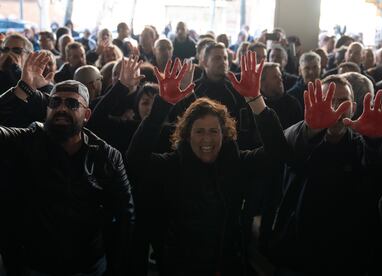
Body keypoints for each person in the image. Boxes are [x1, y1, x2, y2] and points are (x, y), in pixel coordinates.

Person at [126, 51, 289, 276]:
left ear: (225, 134)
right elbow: (135, 162)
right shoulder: (173, 164)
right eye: (199, 131)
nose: (207, 139)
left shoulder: (236, 162)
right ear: (187, 135)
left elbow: (277, 155)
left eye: (214, 131)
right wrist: (160, 108)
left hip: (228, 264)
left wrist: (256, 101)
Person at [0, 51, 135, 275]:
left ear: (87, 114)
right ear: (47, 108)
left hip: (88, 265)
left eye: (72, 104)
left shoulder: (106, 155)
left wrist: (117, 266)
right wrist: (22, 88)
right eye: (55, 102)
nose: (62, 108)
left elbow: (125, 216)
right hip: (32, 263)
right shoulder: (26, 140)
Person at [271, 76, 382, 276]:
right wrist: (311, 129)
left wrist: (377, 141)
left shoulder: (363, 142)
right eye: (328, 100)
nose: (335, 107)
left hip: (355, 251)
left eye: (342, 101)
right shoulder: (301, 137)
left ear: (354, 107)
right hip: (304, 249)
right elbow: (288, 147)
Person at [260, 62, 302, 129]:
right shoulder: (257, 105)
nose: (280, 79)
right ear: (262, 82)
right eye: (275, 77)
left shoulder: (292, 103)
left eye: (280, 76)